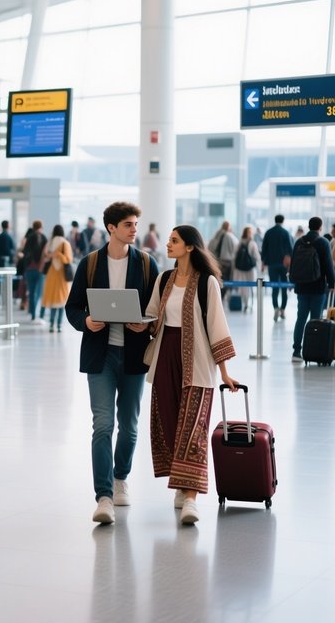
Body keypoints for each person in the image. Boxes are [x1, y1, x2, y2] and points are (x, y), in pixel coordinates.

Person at [65, 201, 159, 525]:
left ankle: (121, 478)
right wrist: (86, 320)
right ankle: (103, 496)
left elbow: (157, 310)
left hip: (134, 356)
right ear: (112, 228)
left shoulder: (147, 264)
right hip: (100, 356)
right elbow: (72, 308)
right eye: (130, 225)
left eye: (135, 224)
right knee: (103, 424)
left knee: (129, 427)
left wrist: (146, 323)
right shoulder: (90, 264)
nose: (135, 230)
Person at [144, 225, 239, 525]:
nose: (168, 244)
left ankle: (191, 499)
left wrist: (224, 372)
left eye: (174, 241)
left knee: (193, 431)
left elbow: (216, 325)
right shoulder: (164, 279)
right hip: (165, 358)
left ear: (189, 247)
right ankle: (181, 484)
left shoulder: (207, 282)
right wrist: (135, 322)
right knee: (170, 426)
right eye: (169, 240)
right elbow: (151, 317)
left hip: (197, 362)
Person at [291, 216, 335, 363]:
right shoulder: (323, 242)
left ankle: (296, 352)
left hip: (302, 287)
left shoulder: (299, 242)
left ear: (309, 226)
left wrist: (294, 281)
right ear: (320, 227)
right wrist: (332, 283)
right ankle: (312, 351)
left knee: (301, 318)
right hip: (318, 287)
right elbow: (329, 265)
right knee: (315, 320)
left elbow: (293, 265)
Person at [260, 214, 294, 321]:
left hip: (272, 264)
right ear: (283, 221)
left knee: (274, 287)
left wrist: (263, 262)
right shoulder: (285, 232)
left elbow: (264, 249)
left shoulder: (268, 232)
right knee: (284, 288)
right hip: (284, 265)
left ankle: (275, 309)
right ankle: (283, 310)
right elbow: (290, 249)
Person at [41, 224, 73, 332]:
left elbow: (45, 257)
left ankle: (51, 324)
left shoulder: (49, 243)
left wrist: (52, 255)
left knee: (53, 300)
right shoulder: (65, 243)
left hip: (51, 273)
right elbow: (68, 260)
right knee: (62, 300)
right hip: (61, 275)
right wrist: (59, 254)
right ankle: (59, 325)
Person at [21, 220, 48, 323]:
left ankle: (32, 313)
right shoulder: (43, 237)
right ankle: (35, 313)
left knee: (31, 292)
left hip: (29, 269)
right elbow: (46, 253)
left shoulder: (29, 237)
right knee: (38, 292)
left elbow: (24, 252)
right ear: (41, 227)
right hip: (40, 269)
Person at [232, 225, 260, 312]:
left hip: (240, 269)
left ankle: (245, 303)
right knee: (251, 286)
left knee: (243, 287)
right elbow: (257, 256)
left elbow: (234, 256)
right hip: (250, 268)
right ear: (249, 233)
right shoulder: (252, 243)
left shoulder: (239, 242)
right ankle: (251, 303)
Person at [208, 221, 238, 299]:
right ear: (228, 227)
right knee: (225, 282)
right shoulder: (228, 236)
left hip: (216, 262)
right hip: (226, 263)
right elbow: (235, 248)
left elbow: (210, 248)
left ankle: (217, 298)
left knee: (218, 280)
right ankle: (221, 298)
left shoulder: (216, 235)